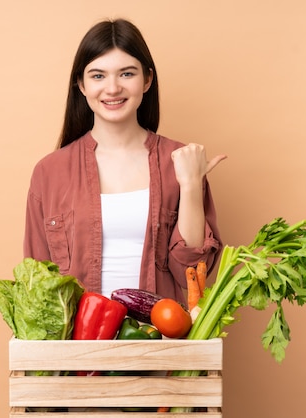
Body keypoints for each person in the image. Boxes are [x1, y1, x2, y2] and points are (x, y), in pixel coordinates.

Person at [23, 18, 226, 304]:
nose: (113, 88)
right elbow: (36, 285)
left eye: (127, 74)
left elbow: (193, 275)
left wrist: (191, 185)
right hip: (77, 344)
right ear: (81, 85)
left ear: (147, 80)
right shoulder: (50, 172)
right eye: (98, 76)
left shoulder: (180, 162)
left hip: (159, 340)